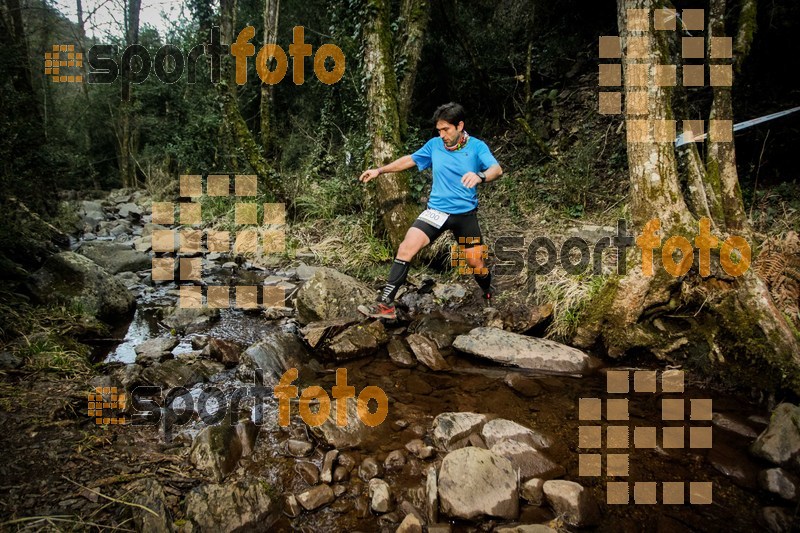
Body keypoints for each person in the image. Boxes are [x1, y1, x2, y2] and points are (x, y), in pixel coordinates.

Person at [357, 102, 503, 319]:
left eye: (446, 129)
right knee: (406, 247)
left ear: (460, 126)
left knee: (476, 264)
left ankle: (487, 291)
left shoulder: (477, 147)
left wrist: (480, 176)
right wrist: (380, 170)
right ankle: (385, 304)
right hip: (436, 212)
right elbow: (409, 160)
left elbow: (496, 169)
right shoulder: (434, 145)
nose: (442, 134)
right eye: (439, 130)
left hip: (465, 216)